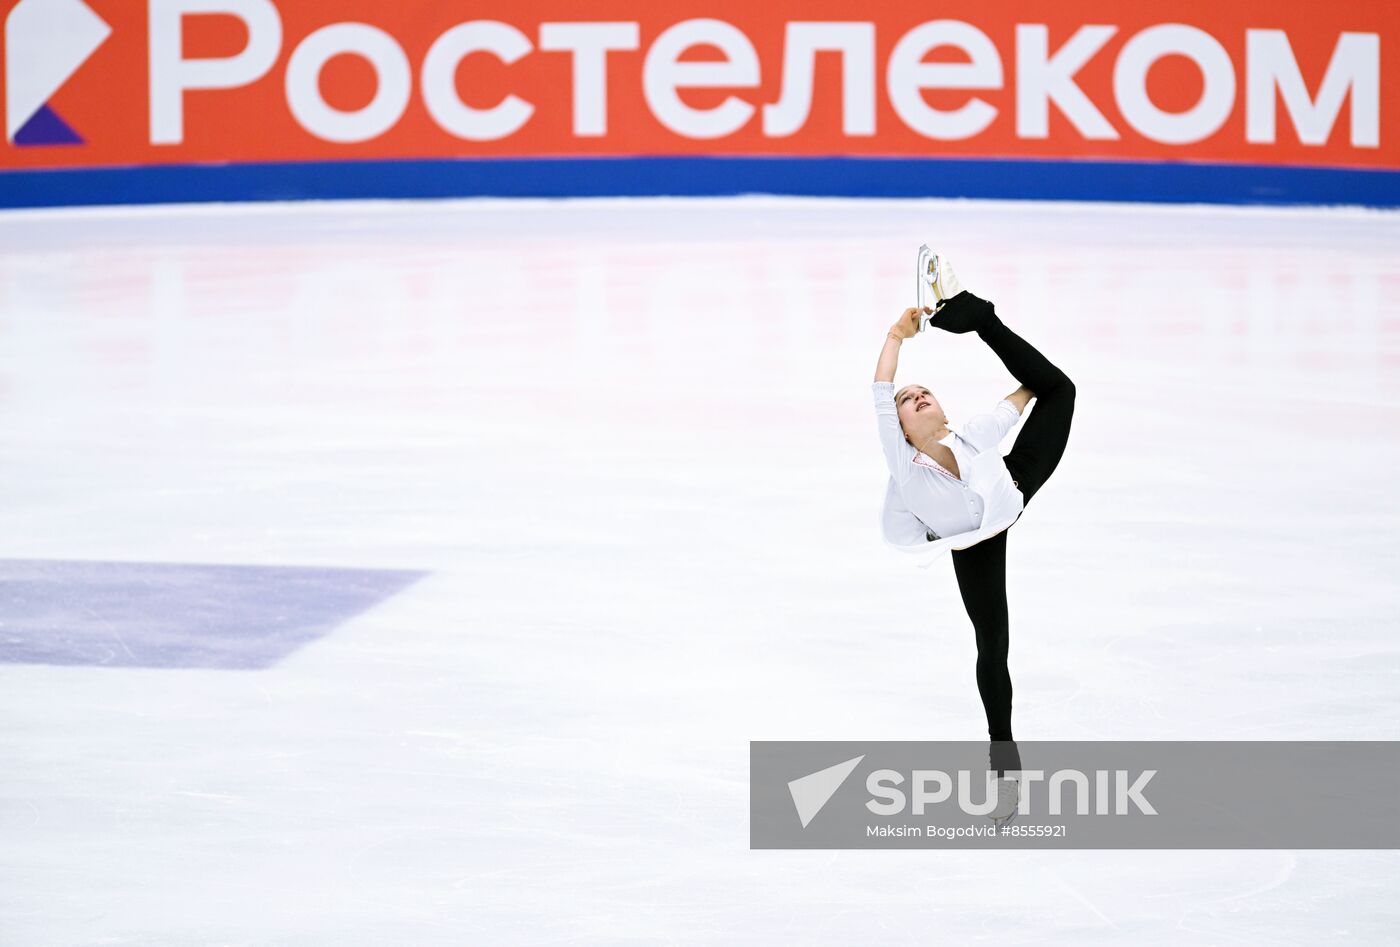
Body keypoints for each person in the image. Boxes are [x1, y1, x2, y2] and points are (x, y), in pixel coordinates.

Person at [872, 254, 1076, 823]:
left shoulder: (968, 437)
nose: (917, 398)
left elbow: (1026, 396)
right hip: (970, 542)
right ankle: (1005, 767)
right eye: (908, 402)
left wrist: (996, 340)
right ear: (903, 430)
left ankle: (981, 316)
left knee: (1059, 389)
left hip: (1008, 493)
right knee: (994, 645)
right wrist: (897, 335)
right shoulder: (906, 466)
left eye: (925, 393)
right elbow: (881, 388)